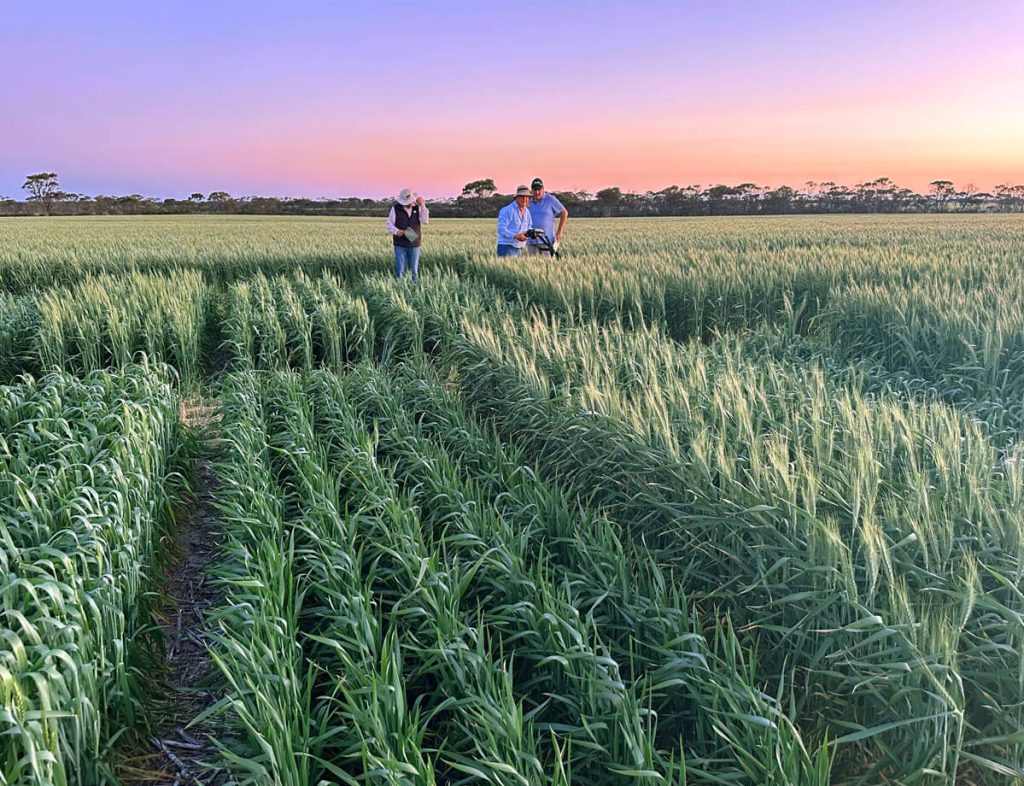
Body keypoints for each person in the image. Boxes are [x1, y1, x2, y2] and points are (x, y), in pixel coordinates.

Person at [386, 188, 429, 280]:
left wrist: (422, 205)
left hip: (414, 244)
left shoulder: (418, 208)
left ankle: (414, 289)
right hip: (400, 244)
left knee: (414, 270)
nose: (409, 204)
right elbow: (389, 224)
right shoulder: (395, 209)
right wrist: (396, 231)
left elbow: (425, 221)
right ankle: (400, 289)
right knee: (400, 270)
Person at [526, 177, 567, 256]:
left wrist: (559, 232)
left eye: (539, 189)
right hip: (531, 241)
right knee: (533, 266)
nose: (537, 192)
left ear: (543, 189)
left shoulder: (550, 199)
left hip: (546, 241)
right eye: (535, 190)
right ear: (531, 190)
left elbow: (564, 212)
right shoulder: (528, 201)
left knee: (547, 265)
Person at [496, 185, 533, 257]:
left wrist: (533, 233)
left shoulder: (527, 212)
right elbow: (501, 229)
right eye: (522, 196)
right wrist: (515, 236)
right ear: (516, 197)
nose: (525, 199)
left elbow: (529, 226)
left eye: (527, 197)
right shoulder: (507, 210)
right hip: (507, 247)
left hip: (520, 248)